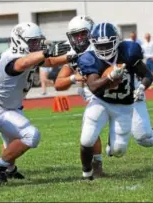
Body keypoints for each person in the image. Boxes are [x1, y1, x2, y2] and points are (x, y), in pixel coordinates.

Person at [77, 22, 153, 180]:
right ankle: (89, 170)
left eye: (107, 45)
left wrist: (142, 88)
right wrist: (109, 77)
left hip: (131, 97)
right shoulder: (91, 58)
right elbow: (94, 87)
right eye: (100, 46)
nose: (104, 49)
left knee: (144, 137)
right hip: (104, 100)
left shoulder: (128, 52)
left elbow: (148, 75)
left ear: (116, 41)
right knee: (91, 134)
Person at [0, 22, 72, 184]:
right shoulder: (12, 58)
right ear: (19, 41)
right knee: (31, 135)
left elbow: (49, 62)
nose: (36, 45)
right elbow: (21, 64)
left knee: (11, 142)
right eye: (33, 42)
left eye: (38, 41)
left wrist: (72, 56)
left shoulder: (28, 56)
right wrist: (46, 52)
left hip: (9, 107)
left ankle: (8, 170)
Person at [54, 15, 104, 178]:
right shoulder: (73, 53)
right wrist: (73, 78)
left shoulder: (101, 47)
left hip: (114, 94)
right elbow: (58, 83)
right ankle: (96, 166)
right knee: (89, 131)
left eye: (83, 33)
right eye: (76, 35)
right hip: (94, 98)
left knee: (141, 135)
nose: (79, 38)